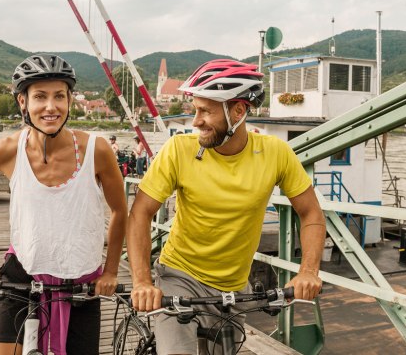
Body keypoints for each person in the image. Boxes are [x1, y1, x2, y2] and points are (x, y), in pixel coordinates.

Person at [127, 59, 326, 354]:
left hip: (234, 289)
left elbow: (310, 213)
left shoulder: (275, 154)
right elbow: (140, 213)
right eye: (196, 110)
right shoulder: (179, 150)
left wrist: (308, 271)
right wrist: (142, 281)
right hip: (180, 278)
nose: (196, 121)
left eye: (205, 111)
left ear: (238, 111)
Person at [0, 54, 127, 355]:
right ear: (23, 102)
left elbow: (121, 211)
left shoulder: (98, 150)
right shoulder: (6, 149)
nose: (50, 106)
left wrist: (110, 272)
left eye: (59, 96)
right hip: (22, 273)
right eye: (40, 96)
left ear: (70, 100)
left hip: (81, 280)